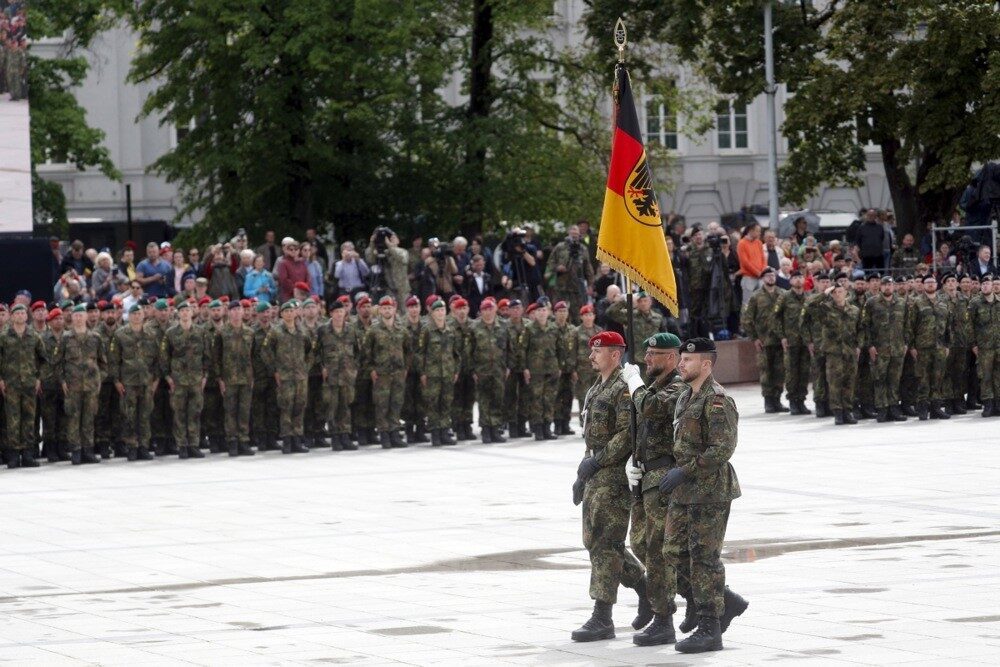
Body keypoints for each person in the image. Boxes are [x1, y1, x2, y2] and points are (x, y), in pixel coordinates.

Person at [659, 337, 741, 654]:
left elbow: (722, 448)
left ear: (705, 364)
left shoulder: (717, 400)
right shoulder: (684, 398)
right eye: (681, 359)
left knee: (704, 558)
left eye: (688, 361)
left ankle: (710, 626)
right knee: (673, 550)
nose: (681, 364)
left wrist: (686, 470)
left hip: (710, 490)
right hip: (684, 489)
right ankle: (725, 600)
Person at [569, 331, 647, 643]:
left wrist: (598, 461)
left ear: (616, 354)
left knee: (605, 545)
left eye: (598, 351)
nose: (592, 356)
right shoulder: (595, 388)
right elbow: (591, 437)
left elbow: (626, 435)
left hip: (613, 477)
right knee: (594, 542)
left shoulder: (622, 389)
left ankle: (602, 616)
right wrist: (582, 473)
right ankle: (646, 589)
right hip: (595, 475)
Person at [622, 333, 686, 645]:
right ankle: (714, 602)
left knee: (659, 551)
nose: (647, 359)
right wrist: (633, 461)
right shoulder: (654, 386)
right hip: (646, 474)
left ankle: (664, 618)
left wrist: (634, 383)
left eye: (655, 354)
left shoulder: (676, 387)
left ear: (672, 358)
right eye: (646, 354)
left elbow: (651, 409)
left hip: (664, 477)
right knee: (640, 543)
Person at [109, 305, 159, 460]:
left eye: (139, 313)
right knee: (129, 415)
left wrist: (156, 380)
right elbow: (114, 360)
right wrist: (117, 381)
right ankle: (132, 446)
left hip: (146, 381)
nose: (137, 316)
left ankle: (143, 446)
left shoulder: (151, 334)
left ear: (143, 315)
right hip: (128, 382)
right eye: (134, 314)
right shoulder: (120, 335)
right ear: (128, 316)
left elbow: (158, 360)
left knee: (145, 415)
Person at [263, 301, 312, 454]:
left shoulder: (303, 331)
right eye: (286, 311)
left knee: (299, 407)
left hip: (300, 376)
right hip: (284, 377)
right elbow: (266, 352)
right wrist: (275, 370)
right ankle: (286, 440)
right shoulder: (275, 332)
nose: (290, 314)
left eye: (292, 311)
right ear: (282, 314)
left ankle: (297, 439)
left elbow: (310, 351)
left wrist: (306, 367)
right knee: (286, 407)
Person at [161, 302, 210, 459]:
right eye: (182, 311)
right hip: (178, 380)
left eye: (187, 310)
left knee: (195, 413)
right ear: (178, 313)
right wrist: (168, 378)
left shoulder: (201, 332)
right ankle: (182, 445)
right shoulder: (170, 333)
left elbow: (207, 356)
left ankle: (194, 444)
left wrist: (205, 376)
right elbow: (164, 358)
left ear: (191, 313)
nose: (185, 313)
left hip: (196, 379)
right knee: (179, 414)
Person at [0, 304, 46, 468]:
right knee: (12, 419)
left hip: (29, 384)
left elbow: (42, 359)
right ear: (12, 316)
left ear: (27, 316)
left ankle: (27, 453)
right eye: (16, 313)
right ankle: (13, 455)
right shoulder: (4, 336)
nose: (20, 316)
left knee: (29, 418)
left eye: (22, 313)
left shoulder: (33, 336)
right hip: (11, 383)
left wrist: (38, 378)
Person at [859, 276, 908, 422]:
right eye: (885, 285)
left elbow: (907, 325)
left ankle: (894, 408)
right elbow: (865, 326)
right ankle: (882, 409)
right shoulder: (871, 303)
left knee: (894, 379)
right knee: (879, 379)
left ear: (894, 287)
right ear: (880, 287)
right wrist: (870, 346)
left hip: (897, 348)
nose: (888, 287)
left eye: (890, 285)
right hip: (879, 349)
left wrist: (906, 343)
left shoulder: (901, 302)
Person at [364, 295, 410, 447]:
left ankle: (395, 433)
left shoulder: (401, 329)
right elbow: (366, 353)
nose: (387, 311)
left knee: (396, 403)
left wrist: (405, 368)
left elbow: (408, 351)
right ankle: (384, 434)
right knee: (382, 404)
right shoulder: (373, 330)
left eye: (390, 308)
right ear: (380, 310)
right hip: (381, 374)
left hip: (398, 374)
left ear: (394, 309)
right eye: (384, 308)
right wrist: (371, 369)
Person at [316, 301, 361, 451]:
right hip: (331, 375)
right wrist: (322, 367)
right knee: (332, 406)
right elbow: (316, 352)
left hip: (347, 375)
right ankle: (335, 436)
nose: (339, 315)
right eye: (336, 312)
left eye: (341, 312)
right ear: (331, 313)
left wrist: (354, 368)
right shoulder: (323, 330)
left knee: (346, 406)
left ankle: (345, 436)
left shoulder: (351, 330)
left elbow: (358, 351)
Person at [742, 267, 786, 413]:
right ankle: (769, 401)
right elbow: (747, 319)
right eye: (767, 276)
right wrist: (754, 338)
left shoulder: (783, 294)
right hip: (764, 341)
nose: (771, 278)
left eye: (772, 275)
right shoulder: (756, 297)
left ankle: (777, 400)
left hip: (780, 340)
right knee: (766, 372)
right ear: (763, 279)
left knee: (780, 371)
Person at [416, 299, 460, 446]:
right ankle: (435, 433)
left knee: (446, 402)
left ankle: (444, 431)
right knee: (433, 403)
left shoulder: (450, 330)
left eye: (442, 310)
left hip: (447, 372)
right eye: (437, 311)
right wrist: (422, 372)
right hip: (432, 373)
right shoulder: (427, 330)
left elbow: (456, 353)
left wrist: (456, 370)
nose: (440, 313)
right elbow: (421, 353)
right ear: (432, 313)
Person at [214, 302, 256, 456]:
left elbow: (254, 356)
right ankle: (232, 441)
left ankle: (243, 441)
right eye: (234, 310)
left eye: (239, 310)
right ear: (229, 312)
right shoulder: (222, 332)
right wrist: (220, 379)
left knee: (244, 411)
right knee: (230, 411)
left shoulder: (250, 332)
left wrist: (253, 376)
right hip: (229, 379)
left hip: (246, 378)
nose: (237, 313)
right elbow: (216, 357)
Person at [909, 274, 951, 420]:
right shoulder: (916, 303)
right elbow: (910, 326)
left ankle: (936, 408)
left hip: (940, 347)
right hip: (922, 347)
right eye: (927, 282)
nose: (931, 284)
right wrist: (912, 346)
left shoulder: (943, 302)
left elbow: (948, 326)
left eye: (933, 282)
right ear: (923, 285)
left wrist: (947, 345)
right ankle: (922, 408)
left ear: (937, 284)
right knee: (923, 378)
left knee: (938, 378)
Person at [469, 297, 508, 444]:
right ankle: (486, 429)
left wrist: (508, 366)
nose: (488, 312)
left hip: (499, 369)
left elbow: (508, 349)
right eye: (485, 309)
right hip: (482, 370)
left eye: (490, 309)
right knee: (484, 400)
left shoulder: (503, 326)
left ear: (495, 310)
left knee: (497, 398)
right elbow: (470, 351)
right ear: (481, 311)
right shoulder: (475, 328)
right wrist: (472, 369)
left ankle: (495, 428)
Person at [519, 299, 560, 441]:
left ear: (548, 312)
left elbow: (559, 348)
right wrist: (525, 368)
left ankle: (547, 427)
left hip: (551, 369)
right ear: (535, 313)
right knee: (536, 399)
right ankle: (538, 429)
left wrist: (560, 366)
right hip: (535, 370)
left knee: (549, 399)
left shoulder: (554, 328)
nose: (542, 313)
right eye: (539, 311)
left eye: (544, 310)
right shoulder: (529, 329)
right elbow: (523, 349)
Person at [821, 284, 861, 425]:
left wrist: (859, 345)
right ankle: (837, 412)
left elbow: (860, 328)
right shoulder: (825, 309)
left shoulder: (854, 310)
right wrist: (824, 294)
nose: (838, 294)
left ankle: (847, 411)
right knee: (835, 382)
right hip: (834, 352)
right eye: (835, 293)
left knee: (849, 382)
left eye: (840, 292)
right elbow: (811, 307)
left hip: (850, 351)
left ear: (846, 293)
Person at [773, 271, 811, 414]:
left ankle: (801, 400)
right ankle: (793, 401)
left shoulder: (808, 297)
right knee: (792, 372)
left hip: (805, 341)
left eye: (800, 277)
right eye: (795, 278)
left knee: (804, 372)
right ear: (790, 281)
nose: (798, 280)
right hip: (791, 341)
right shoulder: (784, 297)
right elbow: (776, 318)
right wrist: (782, 336)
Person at [546, 225, 595, 323]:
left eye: (576, 232)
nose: (574, 233)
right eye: (572, 231)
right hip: (561, 286)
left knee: (577, 315)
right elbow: (550, 262)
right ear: (568, 232)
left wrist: (590, 285)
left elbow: (588, 268)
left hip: (577, 286)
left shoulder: (582, 249)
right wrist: (557, 268)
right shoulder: (560, 247)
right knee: (561, 312)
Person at [735, 222, 765, 305]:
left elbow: (763, 258)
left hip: (760, 277)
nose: (759, 233)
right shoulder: (741, 243)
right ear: (751, 231)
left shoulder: (759, 242)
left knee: (761, 303)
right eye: (757, 231)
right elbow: (745, 262)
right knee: (747, 303)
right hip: (748, 277)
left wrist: (763, 271)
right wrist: (758, 272)